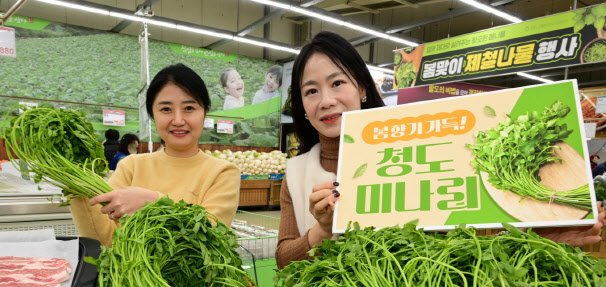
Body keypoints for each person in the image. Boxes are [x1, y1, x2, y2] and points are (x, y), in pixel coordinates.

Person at [275, 31, 606, 270]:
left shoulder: (421, 150)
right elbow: (283, 260)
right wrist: (322, 230)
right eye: (311, 91)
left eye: (337, 83)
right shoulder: (297, 172)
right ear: (302, 105)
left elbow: (465, 252)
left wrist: (546, 239)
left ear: (362, 88)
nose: (326, 100)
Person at [70, 63, 240, 247]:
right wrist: (75, 185)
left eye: (189, 108)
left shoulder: (223, 172)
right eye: (166, 109)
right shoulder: (131, 166)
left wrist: (155, 203)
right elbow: (107, 238)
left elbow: (211, 240)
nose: (178, 120)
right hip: (131, 274)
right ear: (153, 115)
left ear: (204, 113)